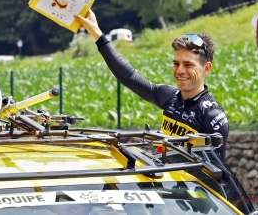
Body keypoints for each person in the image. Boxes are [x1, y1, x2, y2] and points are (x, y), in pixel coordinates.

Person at [75, 10, 229, 159]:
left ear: (206, 68)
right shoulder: (169, 97)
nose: (180, 70)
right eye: (176, 63)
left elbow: (215, 176)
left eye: (188, 65)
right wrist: (96, 33)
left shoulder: (212, 117)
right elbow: (129, 77)